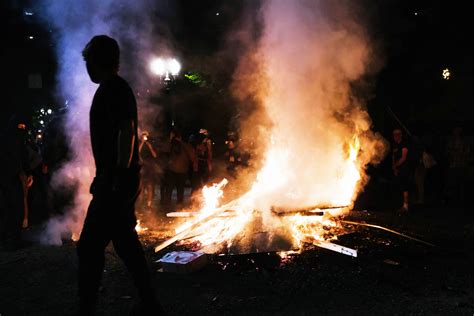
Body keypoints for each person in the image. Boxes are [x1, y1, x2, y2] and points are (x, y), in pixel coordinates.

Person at [77, 35, 162, 314]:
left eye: (88, 61)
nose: (87, 67)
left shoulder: (115, 89)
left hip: (115, 183)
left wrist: (115, 177)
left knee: (89, 246)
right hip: (117, 181)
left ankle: (86, 307)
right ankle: (149, 303)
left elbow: (126, 133)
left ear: (98, 61)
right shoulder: (112, 88)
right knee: (126, 244)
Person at [164, 130, 196, 209]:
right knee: (179, 190)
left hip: (174, 171)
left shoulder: (172, 145)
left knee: (170, 190)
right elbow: (192, 158)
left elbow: (164, 152)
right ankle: (179, 206)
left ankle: (168, 206)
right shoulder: (186, 146)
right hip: (182, 171)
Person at [444, 126, 470, 205]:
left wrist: (461, 154)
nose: (456, 132)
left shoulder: (464, 142)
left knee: (461, 182)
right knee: (452, 182)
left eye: (458, 130)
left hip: (461, 164)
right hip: (453, 165)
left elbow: (467, 152)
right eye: (455, 130)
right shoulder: (451, 141)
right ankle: (453, 200)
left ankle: (462, 199)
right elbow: (447, 152)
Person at [138, 131, 159, 209]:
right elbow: (138, 152)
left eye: (146, 136)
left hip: (149, 168)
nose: (144, 137)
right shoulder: (139, 144)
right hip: (142, 168)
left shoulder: (151, 144)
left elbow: (154, 155)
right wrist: (142, 143)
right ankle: (140, 202)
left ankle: (149, 204)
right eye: (143, 136)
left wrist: (149, 146)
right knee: (141, 187)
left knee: (150, 186)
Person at [392, 129, 410, 212]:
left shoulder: (404, 144)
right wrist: (394, 167)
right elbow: (394, 156)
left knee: (405, 186)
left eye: (397, 134)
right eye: (394, 135)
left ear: (401, 135)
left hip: (404, 168)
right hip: (398, 168)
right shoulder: (395, 145)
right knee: (400, 185)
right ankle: (401, 204)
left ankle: (406, 205)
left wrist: (396, 165)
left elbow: (404, 157)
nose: (395, 136)